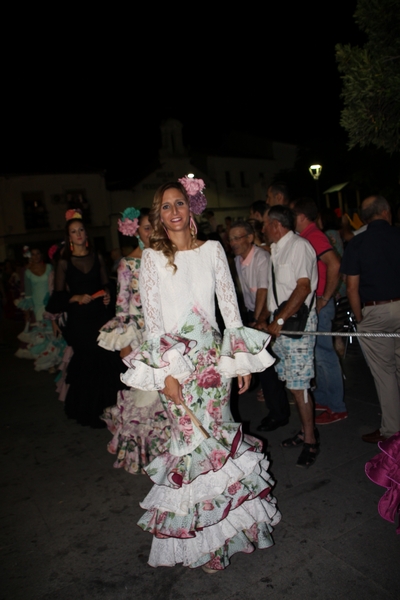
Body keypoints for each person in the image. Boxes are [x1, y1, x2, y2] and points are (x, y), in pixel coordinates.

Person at [121, 177, 280, 572]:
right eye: (165, 206)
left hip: (212, 363)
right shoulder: (151, 259)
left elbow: (229, 310)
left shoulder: (213, 249)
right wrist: (167, 374)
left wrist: (238, 362)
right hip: (175, 365)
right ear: (159, 216)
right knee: (189, 446)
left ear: (190, 208)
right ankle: (203, 544)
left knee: (219, 440)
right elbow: (154, 324)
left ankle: (232, 532)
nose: (174, 211)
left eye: (179, 203)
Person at [98, 207, 170, 474]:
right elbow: (122, 308)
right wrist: (126, 344)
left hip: (167, 335)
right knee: (145, 395)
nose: (152, 232)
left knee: (167, 393)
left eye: (155, 227)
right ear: (136, 231)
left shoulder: (166, 258)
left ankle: (170, 452)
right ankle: (146, 454)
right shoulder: (127, 264)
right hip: (140, 338)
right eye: (147, 228)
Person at [46, 209, 122, 428]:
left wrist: (107, 294)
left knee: (106, 360)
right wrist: (75, 297)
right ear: (69, 237)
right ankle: (90, 410)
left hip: (100, 316)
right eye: (74, 231)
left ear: (86, 234)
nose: (78, 234)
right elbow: (58, 296)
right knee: (87, 364)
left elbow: (107, 284)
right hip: (80, 320)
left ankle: (112, 408)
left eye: (81, 230)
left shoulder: (97, 257)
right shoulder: (64, 262)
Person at [261, 206, 319, 468]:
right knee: (293, 383)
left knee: (300, 385)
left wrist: (280, 320)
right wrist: (269, 318)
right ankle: (306, 431)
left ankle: (311, 441)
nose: (263, 228)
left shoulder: (299, 246)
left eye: (265, 224)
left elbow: (303, 287)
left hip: (296, 324)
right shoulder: (276, 249)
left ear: (276, 225)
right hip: (282, 323)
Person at [341, 195, 400, 443]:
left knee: (385, 374)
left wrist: (360, 318)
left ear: (364, 218)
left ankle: (392, 431)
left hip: (375, 311)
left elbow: (351, 288)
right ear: (386, 212)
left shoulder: (357, 243)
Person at [230, 219, 290, 431]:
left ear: (250, 238)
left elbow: (263, 292)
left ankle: (279, 414)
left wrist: (257, 322)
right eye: (231, 239)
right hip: (252, 314)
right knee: (261, 367)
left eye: (237, 238)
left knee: (267, 368)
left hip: (264, 314)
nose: (233, 243)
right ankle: (276, 411)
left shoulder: (261, 258)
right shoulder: (238, 260)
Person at [292, 198, 347, 424]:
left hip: (321, 304)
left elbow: (335, 264)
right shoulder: (309, 236)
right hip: (317, 303)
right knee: (318, 354)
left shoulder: (314, 236)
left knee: (324, 354)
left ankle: (337, 407)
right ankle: (325, 399)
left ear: (302, 216)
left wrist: (325, 297)